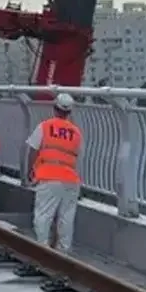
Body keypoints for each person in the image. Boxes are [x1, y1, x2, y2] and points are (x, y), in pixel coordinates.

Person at [25, 93, 82, 251]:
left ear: (54, 108)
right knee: (66, 218)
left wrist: (30, 171)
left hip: (49, 176)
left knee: (43, 215)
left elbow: (33, 150)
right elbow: (76, 155)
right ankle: (63, 253)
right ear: (69, 112)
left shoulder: (45, 126)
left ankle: (42, 249)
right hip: (71, 179)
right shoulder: (76, 132)